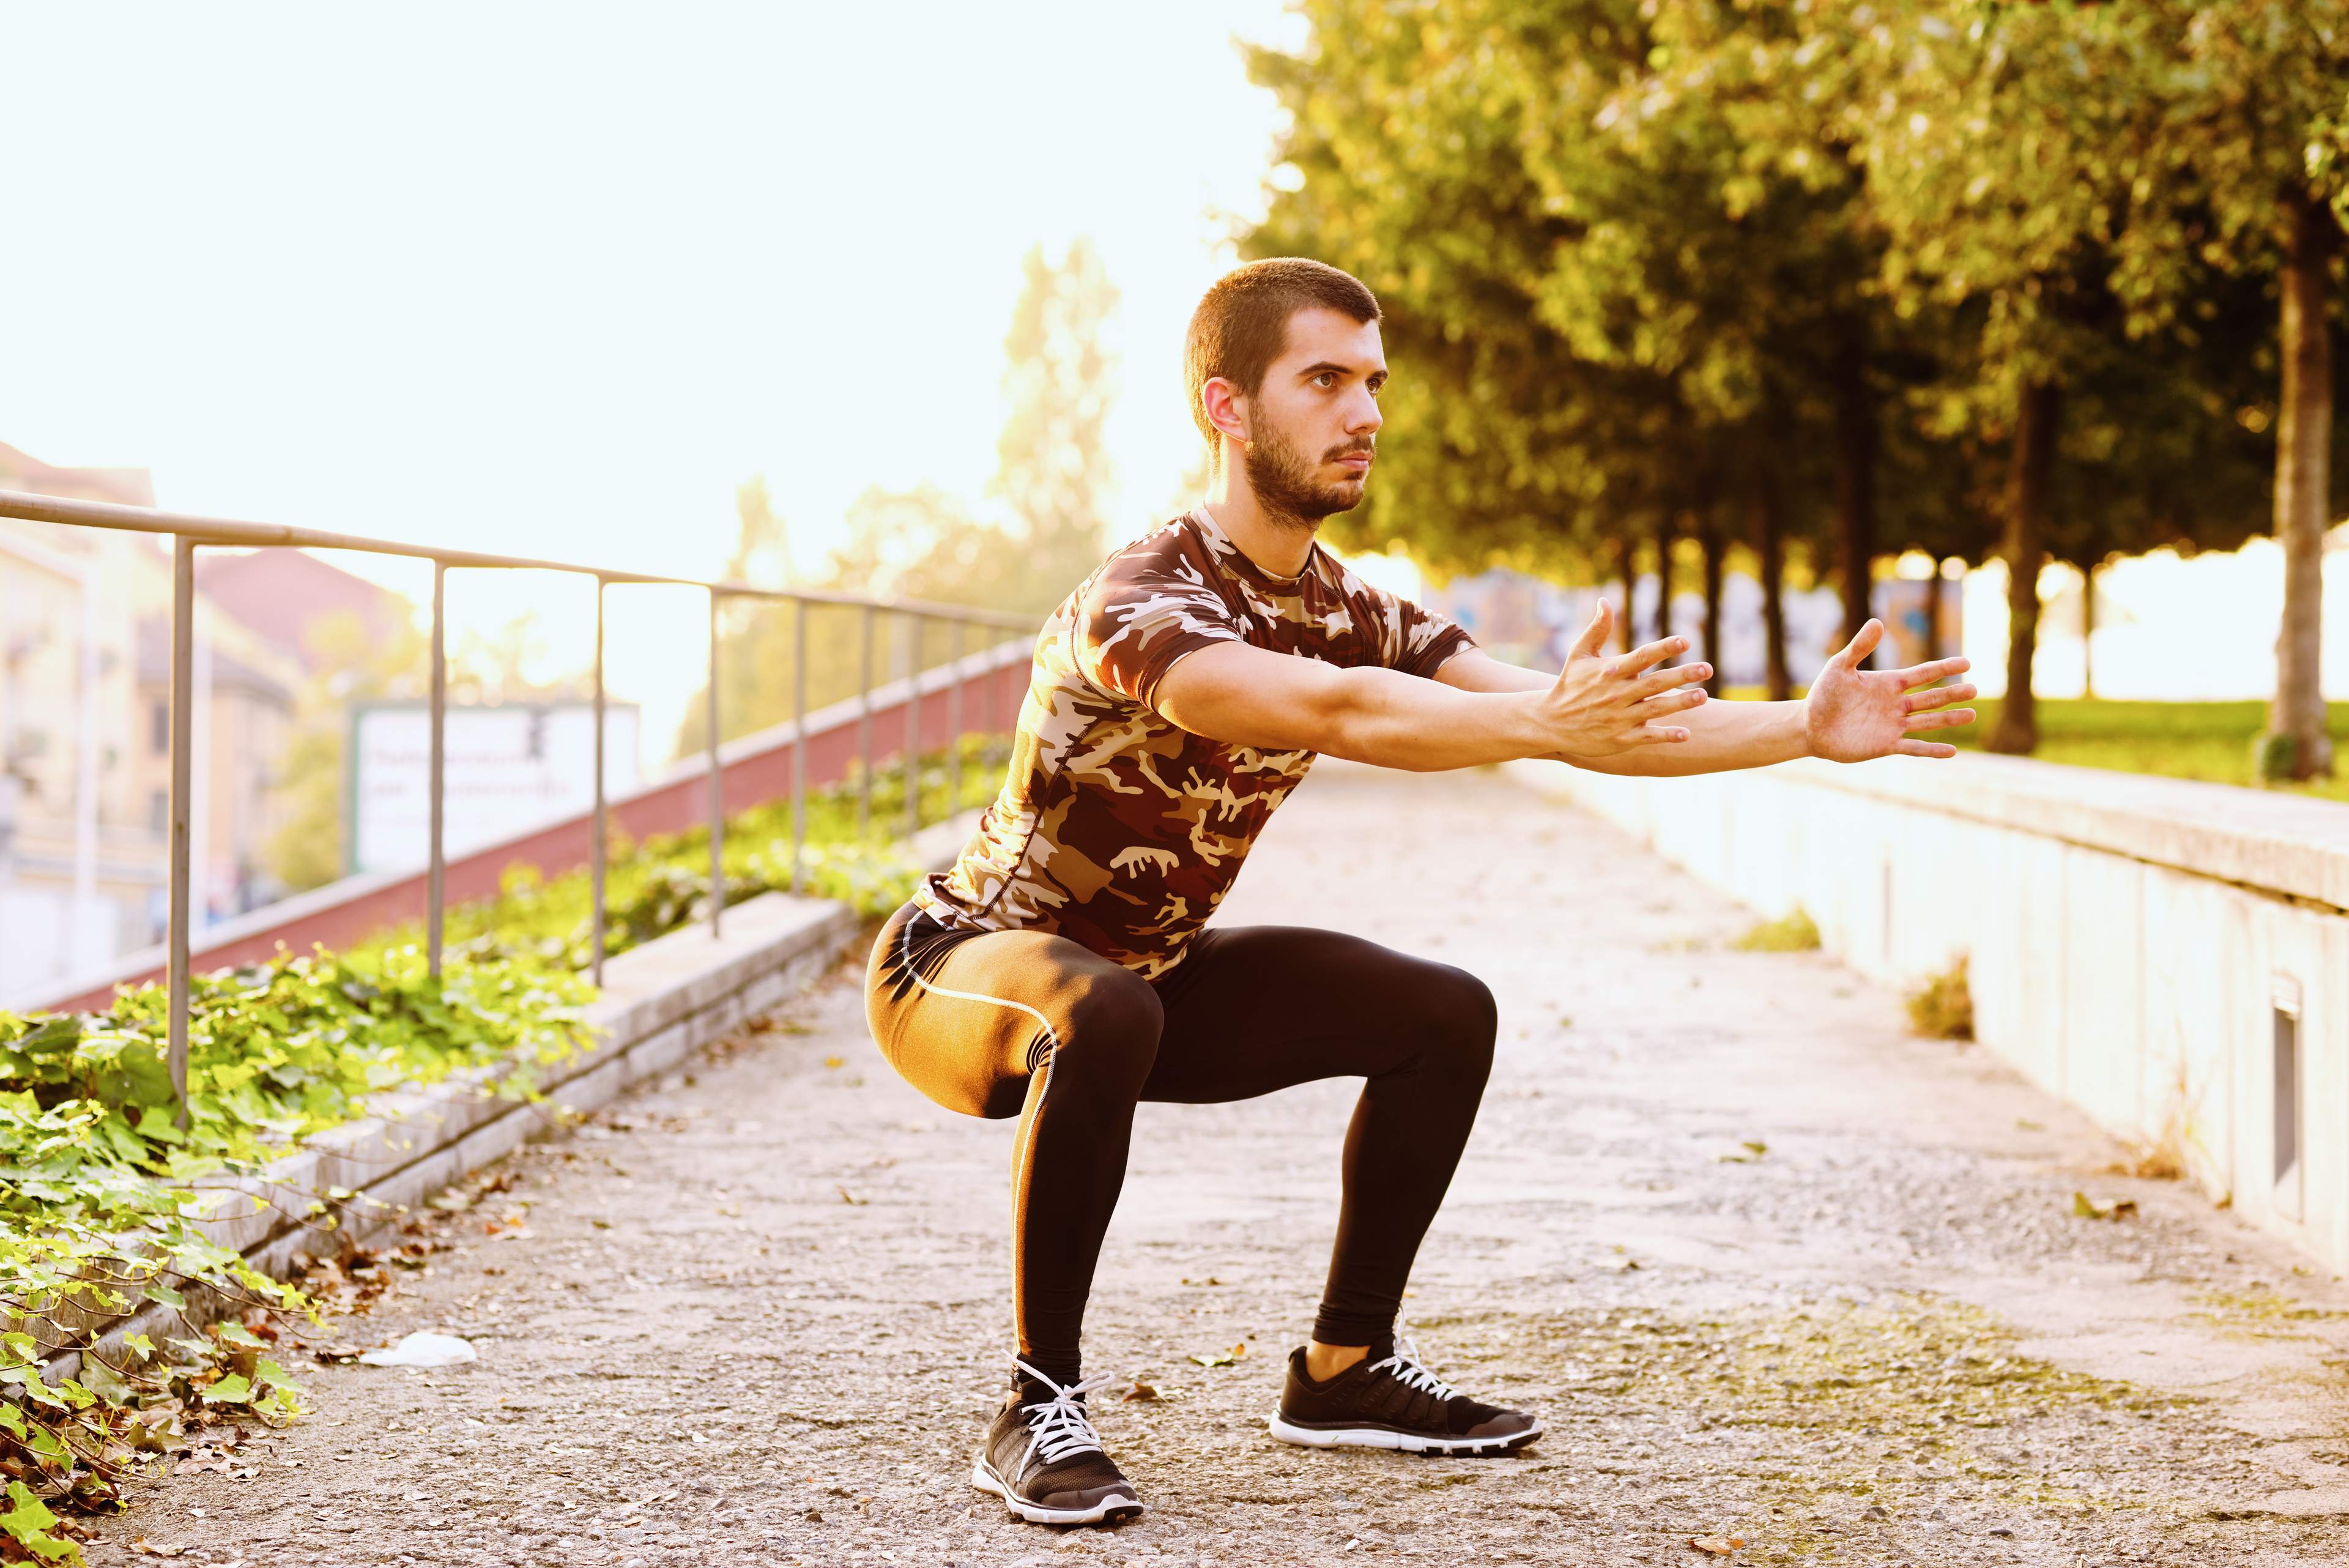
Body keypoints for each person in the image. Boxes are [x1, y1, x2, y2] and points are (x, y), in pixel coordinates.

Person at [863, 258, 1976, 1526]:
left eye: (1374, 382)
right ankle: (1036, 1401)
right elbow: (1342, 709)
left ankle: (1343, 1369)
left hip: (1153, 976)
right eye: (1325, 380)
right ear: (1227, 408)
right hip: (961, 970)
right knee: (1101, 1010)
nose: (1366, 412)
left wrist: (1803, 726)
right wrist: (1547, 719)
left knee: (1443, 1013)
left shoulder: (1355, 607)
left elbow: (1580, 721)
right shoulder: (1142, 598)